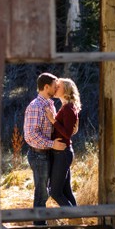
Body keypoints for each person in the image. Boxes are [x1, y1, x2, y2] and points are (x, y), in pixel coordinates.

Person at [24, 72, 66, 225]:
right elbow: (31, 136)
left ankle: (42, 223)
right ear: (46, 87)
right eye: (54, 87)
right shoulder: (35, 106)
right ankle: (39, 226)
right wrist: (52, 144)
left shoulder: (50, 104)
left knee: (46, 191)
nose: (56, 90)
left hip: (47, 154)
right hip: (38, 154)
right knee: (41, 192)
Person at [47, 77, 81, 207]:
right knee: (66, 191)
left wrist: (52, 120)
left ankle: (73, 218)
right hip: (61, 152)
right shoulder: (65, 107)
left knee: (55, 192)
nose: (55, 88)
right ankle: (77, 221)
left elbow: (67, 133)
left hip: (63, 153)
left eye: (58, 86)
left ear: (66, 89)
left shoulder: (68, 108)